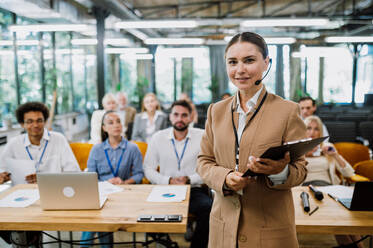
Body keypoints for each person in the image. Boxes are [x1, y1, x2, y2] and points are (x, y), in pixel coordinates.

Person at [197, 32, 307, 248]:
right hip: (223, 228)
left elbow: (301, 170)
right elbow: (204, 162)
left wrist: (279, 171)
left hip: (270, 229)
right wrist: (226, 177)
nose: (240, 70)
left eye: (249, 60)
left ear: (266, 63)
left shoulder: (287, 111)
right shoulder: (216, 111)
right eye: (233, 62)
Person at [0, 102, 80, 246]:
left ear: (45, 121)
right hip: (22, 199)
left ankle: (31, 238)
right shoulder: (13, 144)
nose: (35, 125)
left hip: (53, 195)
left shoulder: (58, 139)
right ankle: (26, 239)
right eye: (29, 121)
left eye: (39, 120)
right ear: (22, 124)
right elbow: (1, 168)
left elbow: (74, 172)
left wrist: (45, 178)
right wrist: (2, 176)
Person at [144, 100, 212, 248]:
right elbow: (148, 168)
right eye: (176, 114)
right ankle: (168, 244)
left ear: (190, 117)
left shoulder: (202, 136)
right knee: (144, 212)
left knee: (208, 208)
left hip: (193, 189)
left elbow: (210, 167)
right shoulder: (158, 137)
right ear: (170, 117)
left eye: (184, 115)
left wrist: (189, 179)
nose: (179, 119)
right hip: (165, 189)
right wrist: (167, 180)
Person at [81, 110, 144, 248]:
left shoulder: (132, 148)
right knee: (96, 214)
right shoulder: (96, 149)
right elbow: (90, 176)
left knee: (99, 215)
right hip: (101, 193)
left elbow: (139, 175)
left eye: (118, 121)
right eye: (110, 122)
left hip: (124, 194)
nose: (116, 125)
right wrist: (105, 183)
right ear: (104, 128)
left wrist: (124, 182)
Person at [303, 115, 363, 248]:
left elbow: (348, 173)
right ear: (303, 130)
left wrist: (335, 154)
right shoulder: (298, 149)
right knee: (339, 219)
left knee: (345, 218)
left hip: (328, 188)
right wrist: (303, 155)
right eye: (308, 128)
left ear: (320, 132)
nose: (312, 133)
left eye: (316, 129)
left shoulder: (327, 147)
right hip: (306, 189)